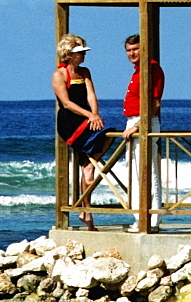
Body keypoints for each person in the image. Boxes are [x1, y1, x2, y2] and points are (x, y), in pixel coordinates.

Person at [52, 33, 112, 231]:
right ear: (69, 54)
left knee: (89, 167)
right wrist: (89, 116)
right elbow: (67, 103)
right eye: (79, 53)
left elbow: (91, 95)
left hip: (87, 120)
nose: (83, 56)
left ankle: (86, 211)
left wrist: (95, 114)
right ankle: (86, 211)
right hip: (71, 123)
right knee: (88, 166)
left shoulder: (85, 72)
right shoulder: (59, 75)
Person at [121, 34, 164, 233]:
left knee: (148, 172)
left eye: (135, 49)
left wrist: (138, 126)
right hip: (134, 122)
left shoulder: (152, 69)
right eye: (129, 50)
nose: (132, 53)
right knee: (135, 172)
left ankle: (152, 219)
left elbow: (154, 103)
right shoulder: (138, 70)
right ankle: (140, 217)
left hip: (143, 123)